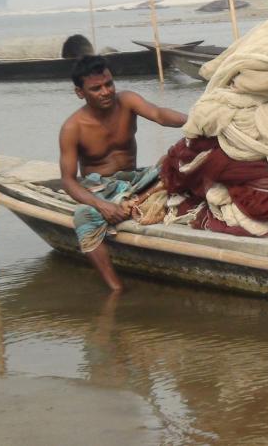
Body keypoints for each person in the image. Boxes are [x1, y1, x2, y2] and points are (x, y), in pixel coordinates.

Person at [59, 55, 187, 291]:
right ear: (80, 92)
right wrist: (101, 205)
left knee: (179, 155)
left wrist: (194, 122)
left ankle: (142, 198)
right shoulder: (72, 127)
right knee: (84, 217)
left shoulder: (126, 101)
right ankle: (116, 289)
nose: (106, 92)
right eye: (96, 88)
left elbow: (159, 115)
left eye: (109, 84)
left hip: (137, 179)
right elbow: (68, 181)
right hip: (102, 187)